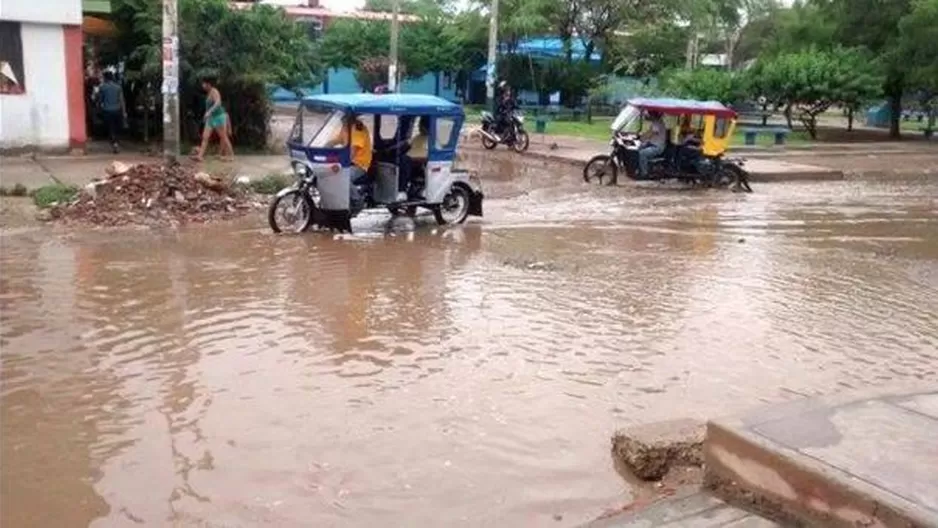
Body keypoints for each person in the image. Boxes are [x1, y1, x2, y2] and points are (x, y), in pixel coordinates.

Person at [327, 114, 373, 204]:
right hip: (348, 162)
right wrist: (322, 148)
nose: (341, 119)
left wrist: (341, 163)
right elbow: (336, 140)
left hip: (359, 165)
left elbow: (353, 151)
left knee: (343, 176)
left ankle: (357, 200)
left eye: (343, 116)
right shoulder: (345, 127)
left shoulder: (358, 128)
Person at [194, 75, 234, 162]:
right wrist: (207, 114)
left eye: (203, 84)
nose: (202, 86)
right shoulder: (208, 93)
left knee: (223, 137)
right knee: (205, 137)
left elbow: (218, 103)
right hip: (211, 118)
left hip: (219, 117)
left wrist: (209, 112)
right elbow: (209, 106)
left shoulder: (214, 91)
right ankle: (200, 156)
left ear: (208, 84)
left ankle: (231, 155)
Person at [400, 117, 430, 200]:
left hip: (419, 163)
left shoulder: (431, 139)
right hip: (409, 159)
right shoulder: (418, 137)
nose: (420, 127)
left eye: (422, 125)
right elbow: (407, 144)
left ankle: (402, 189)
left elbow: (428, 155)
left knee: (404, 160)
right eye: (420, 125)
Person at [97, 71, 126, 154]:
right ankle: (116, 142)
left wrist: (98, 109)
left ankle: (114, 143)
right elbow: (121, 100)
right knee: (117, 128)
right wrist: (124, 112)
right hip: (117, 110)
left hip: (107, 111)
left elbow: (100, 100)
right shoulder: (118, 87)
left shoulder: (102, 87)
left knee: (110, 128)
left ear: (105, 78)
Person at [638, 110, 667, 178]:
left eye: (649, 114)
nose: (647, 115)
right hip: (653, 144)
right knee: (639, 148)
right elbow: (649, 133)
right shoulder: (655, 122)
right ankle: (639, 168)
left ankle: (644, 173)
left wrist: (642, 137)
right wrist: (643, 137)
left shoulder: (657, 122)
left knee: (643, 153)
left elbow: (651, 133)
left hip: (657, 147)